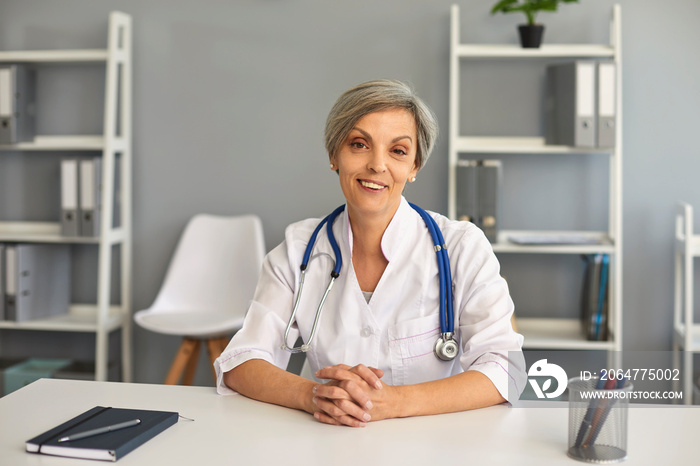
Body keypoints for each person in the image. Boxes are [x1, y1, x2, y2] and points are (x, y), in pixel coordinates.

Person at [214, 79, 525, 427]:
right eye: (359, 144)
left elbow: (506, 370)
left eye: (398, 151)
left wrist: (393, 402)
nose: (377, 165)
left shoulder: (461, 247)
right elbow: (241, 361)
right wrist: (313, 395)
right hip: (327, 441)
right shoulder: (299, 249)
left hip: (432, 446)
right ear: (334, 155)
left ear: (414, 167)